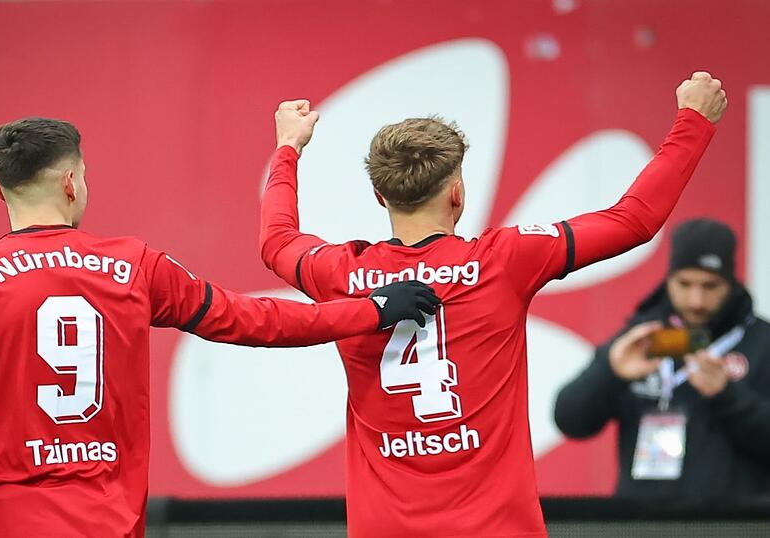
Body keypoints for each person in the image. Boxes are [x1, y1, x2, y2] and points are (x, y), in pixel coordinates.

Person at [0, 118, 441, 538]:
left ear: (0, 187)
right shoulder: (133, 265)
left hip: (2, 522)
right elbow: (252, 319)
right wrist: (370, 309)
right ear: (70, 182)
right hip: (107, 520)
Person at [258, 72, 726, 537]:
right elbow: (633, 220)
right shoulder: (505, 260)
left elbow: (277, 240)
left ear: (379, 196)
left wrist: (288, 148)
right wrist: (694, 121)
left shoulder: (340, 273)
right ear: (457, 193)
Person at [554, 218, 770, 501]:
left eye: (710, 286)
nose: (696, 300)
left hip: (731, 525)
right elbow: (570, 421)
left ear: (731, 283)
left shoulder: (761, 342)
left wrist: (727, 396)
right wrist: (610, 373)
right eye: (685, 283)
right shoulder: (642, 338)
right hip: (644, 525)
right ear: (668, 278)